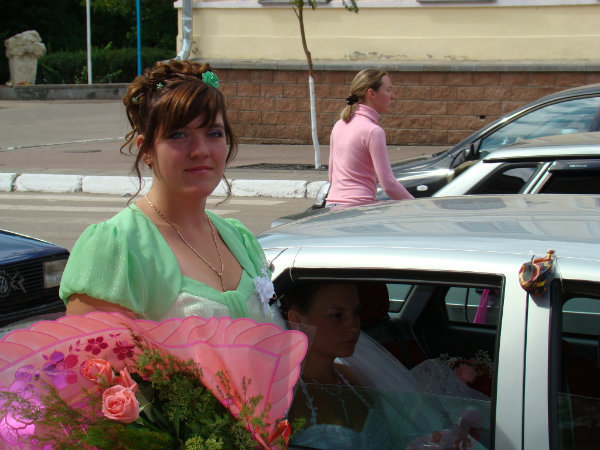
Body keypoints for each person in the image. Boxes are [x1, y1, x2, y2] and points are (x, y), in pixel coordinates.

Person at [59, 59, 279, 324]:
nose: (201, 151)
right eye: (178, 135)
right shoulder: (116, 248)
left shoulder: (239, 239)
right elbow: (94, 349)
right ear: (146, 149)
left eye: (213, 133)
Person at [279, 281, 491, 450]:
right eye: (337, 316)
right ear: (296, 319)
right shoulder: (284, 394)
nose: (353, 326)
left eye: (356, 312)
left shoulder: (356, 377)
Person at [326, 69, 414, 206]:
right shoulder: (373, 131)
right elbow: (389, 185)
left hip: (331, 207)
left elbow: (332, 176)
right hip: (357, 210)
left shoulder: (340, 124)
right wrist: (416, 205)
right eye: (388, 90)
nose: (393, 96)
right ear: (371, 93)